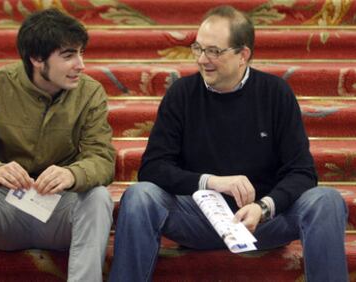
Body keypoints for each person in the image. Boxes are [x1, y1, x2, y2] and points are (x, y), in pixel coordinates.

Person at [109, 5, 348, 282]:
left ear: (242, 55)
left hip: (261, 222)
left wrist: (264, 206)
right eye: (198, 48)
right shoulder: (182, 94)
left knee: (326, 200)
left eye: (214, 51)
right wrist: (212, 182)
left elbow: (302, 172)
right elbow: (153, 168)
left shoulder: (276, 94)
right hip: (197, 218)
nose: (202, 59)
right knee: (140, 196)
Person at [0, 8, 116, 282]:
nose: (80, 64)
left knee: (97, 197)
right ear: (37, 58)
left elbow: (102, 158)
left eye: (81, 53)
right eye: (68, 55)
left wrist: (74, 173)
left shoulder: (90, 92)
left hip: (61, 214)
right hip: (8, 213)